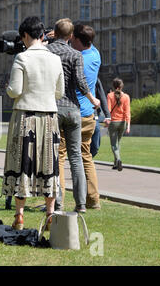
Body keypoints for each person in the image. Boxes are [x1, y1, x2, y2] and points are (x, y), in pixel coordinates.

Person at [2, 16, 65, 230]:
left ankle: (19, 215)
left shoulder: (21, 58)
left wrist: (8, 89)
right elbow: (60, 92)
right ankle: (49, 214)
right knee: (50, 165)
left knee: (22, 164)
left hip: (25, 116)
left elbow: (15, 91)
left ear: (26, 36)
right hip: (49, 117)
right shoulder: (55, 59)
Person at [47, 18, 100, 213]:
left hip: (54, 108)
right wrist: (92, 99)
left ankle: (58, 202)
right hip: (74, 110)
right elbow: (81, 81)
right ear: (71, 36)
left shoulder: (48, 52)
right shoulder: (79, 54)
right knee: (77, 157)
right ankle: (82, 204)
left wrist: (47, 40)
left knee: (57, 159)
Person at [69, 24, 103, 209]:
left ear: (77, 40)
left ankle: (54, 200)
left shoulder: (76, 58)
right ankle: (93, 199)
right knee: (86, 157)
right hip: (89, 114)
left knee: (59, 155)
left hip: (72, 112)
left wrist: (58, 38)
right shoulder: (95, 55)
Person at [107, 78, 131, 171]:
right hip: (123, 122)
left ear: (113, 86)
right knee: (118, 143)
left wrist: (107, 121)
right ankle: (115, 163)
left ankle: (118, 160)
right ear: (122, 86)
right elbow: (127, 112)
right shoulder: (126, 97)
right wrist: (128, 125)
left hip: (113, 122)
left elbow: (108, 110)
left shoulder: (110, 95)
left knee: (114, 144)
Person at [90, 78, 111, 157]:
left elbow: (102, 97)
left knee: (95, 145)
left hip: (93, 114)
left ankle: (87, 159)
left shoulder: (95, 78)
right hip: (78, 113)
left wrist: (108, 116)